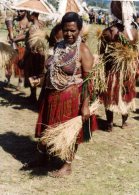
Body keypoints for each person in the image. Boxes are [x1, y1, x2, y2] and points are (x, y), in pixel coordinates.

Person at [26, 12, 98, 177]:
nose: (69, 34)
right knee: (48, 128)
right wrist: (41, 79)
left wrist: (85, 105)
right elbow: (52, 69)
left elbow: (88, 80)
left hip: (71, 98)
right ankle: (43, 158)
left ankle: (67, 166)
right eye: (66, 30)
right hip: (52, 95)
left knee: (70, 133)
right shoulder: (58, 46)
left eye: (73, 30)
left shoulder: (83, 50)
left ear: (79, 30)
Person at [99, 0, 139, 131]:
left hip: (112, 70)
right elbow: (135, 52)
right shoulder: (134, 32)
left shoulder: (108, 32)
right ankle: (124, 122)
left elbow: (101, 53)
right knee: (126, 94)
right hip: (128, 70)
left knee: (110, 94)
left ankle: (109, 123)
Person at [23, 12, 45, 103]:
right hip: (39, 54)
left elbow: (31, 43)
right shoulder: (41, 25)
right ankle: (34, 96)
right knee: (37, 73)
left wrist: (25, 56)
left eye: (28, 14)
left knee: (31, 73)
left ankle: (33, 96)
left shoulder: (32, 27)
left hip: (32, 54)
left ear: (33, 16)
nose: (27, 16)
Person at [5, 10, 30, 89]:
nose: (19, 13)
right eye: (18, 11)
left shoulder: (29, 23)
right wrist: (10, 36)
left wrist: (14, 39)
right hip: (12, 46)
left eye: (21, 11)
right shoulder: (15, 20)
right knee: (8, 64)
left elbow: (26, 35)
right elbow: (10, 31)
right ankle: (8, 80)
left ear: (26, 12)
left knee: (20, 65)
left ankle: (20, 82)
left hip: (23, 47)